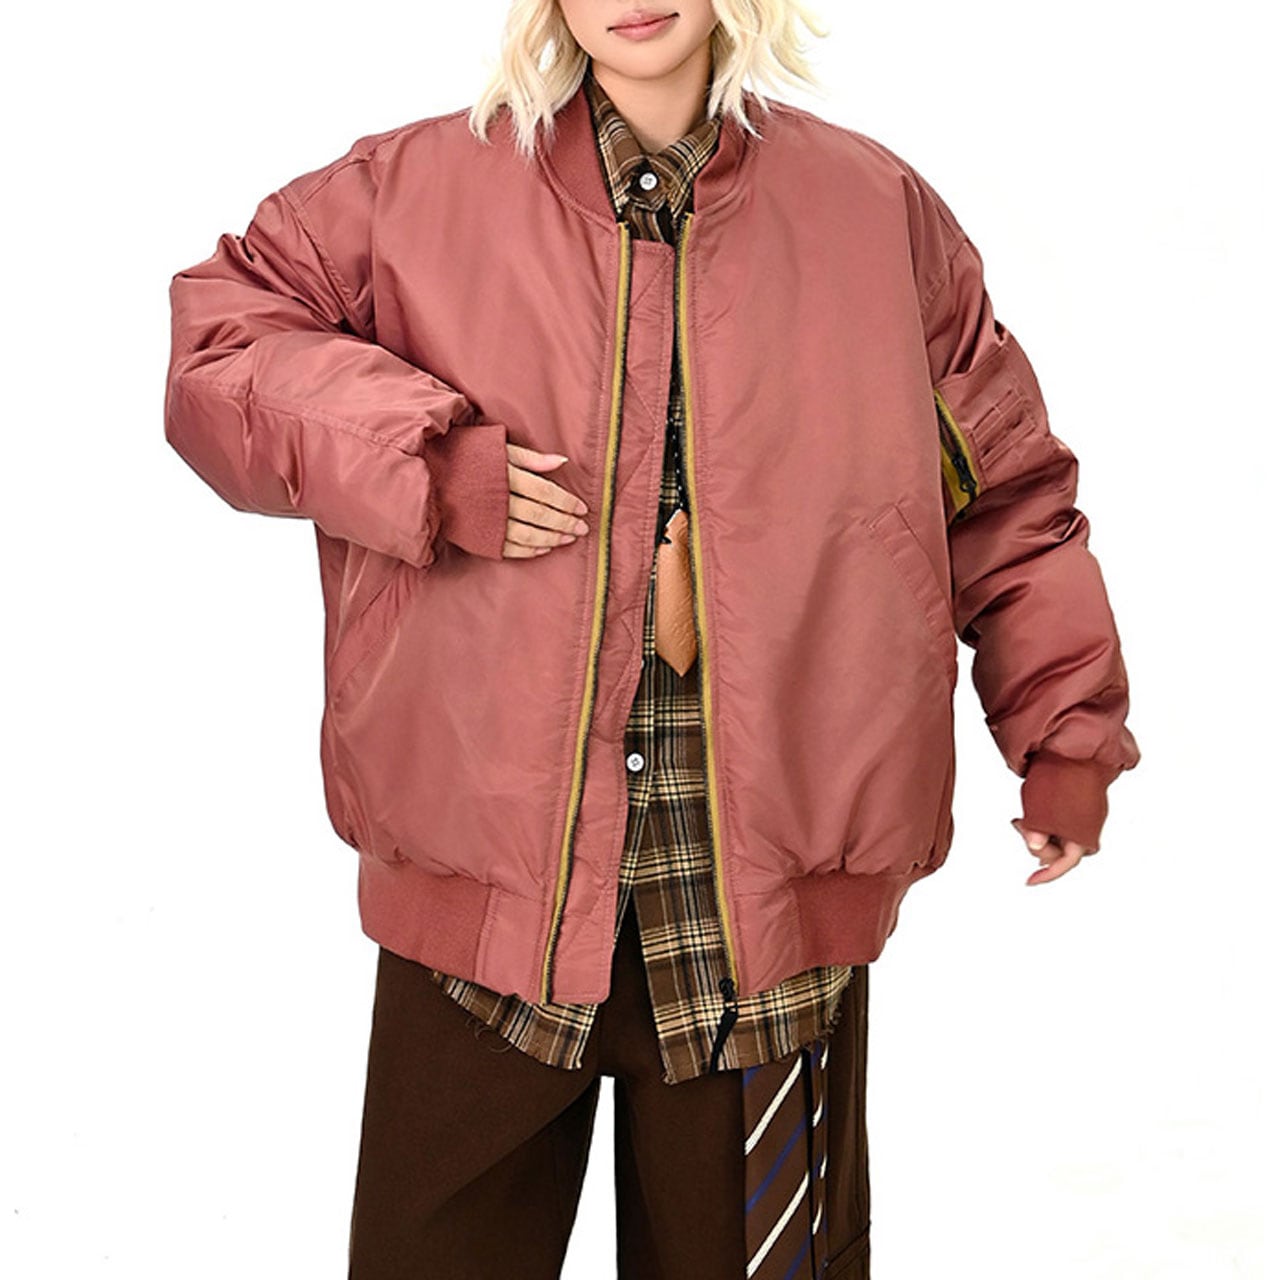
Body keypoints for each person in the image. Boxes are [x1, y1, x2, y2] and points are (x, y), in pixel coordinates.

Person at [163, 2, 1141, 1276]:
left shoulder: (872, 213)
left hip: (767, 925)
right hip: (484, 910)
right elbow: (217, 351)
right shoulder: (407, 193)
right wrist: (424, 462)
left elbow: (1004, 491)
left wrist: (1064, 733)